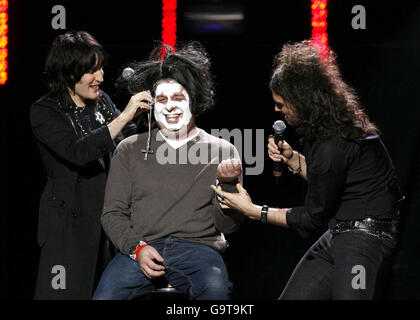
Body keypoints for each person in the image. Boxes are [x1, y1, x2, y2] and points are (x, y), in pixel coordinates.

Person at [212, 40, 403, 299]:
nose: (277, 110)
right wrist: (295, 160)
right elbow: (329, 181)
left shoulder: (332, 144)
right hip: (339, 231)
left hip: (364, 237)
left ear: (302, 100)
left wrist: (254, 211)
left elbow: (312, 217)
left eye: (281, 104)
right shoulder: (328, 125)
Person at [92, 43, 244, 300]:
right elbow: (112, 213)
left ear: (193, 101)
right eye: (162, 99)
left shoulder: (223, 151)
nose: (170, 106)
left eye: (178, 98)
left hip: (199, 249)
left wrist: (228, 186)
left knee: (216, 292)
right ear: (152, 104)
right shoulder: (129, 149)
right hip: (140, 248)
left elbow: (227, 226)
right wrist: (137, 249)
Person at [30, 31, 153, 299]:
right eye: (91, 71)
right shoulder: (44, 111)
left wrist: (144, 119)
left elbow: (125, 139)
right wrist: (124, 117)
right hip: (68, 228)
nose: (101, 77)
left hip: (107, 221)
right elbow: (78, 152)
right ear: (69, 72)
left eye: (100, 68)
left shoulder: (101, 100)